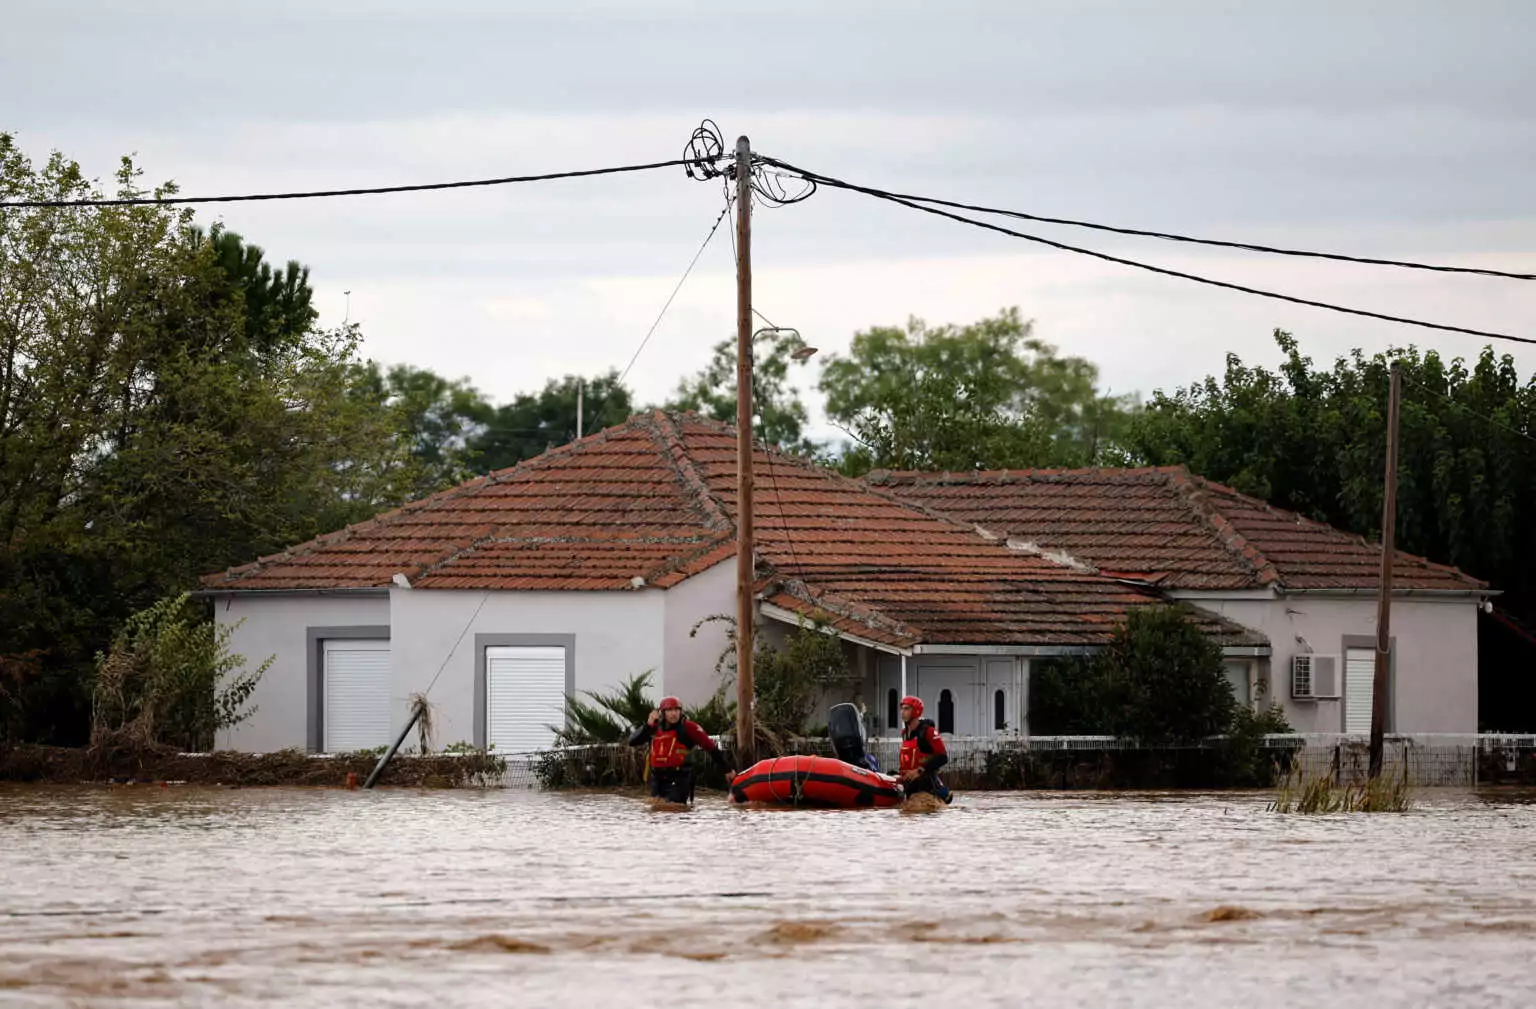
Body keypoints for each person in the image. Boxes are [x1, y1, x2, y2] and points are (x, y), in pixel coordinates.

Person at [628, 695, 730, 803]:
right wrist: (648, 725)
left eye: (677, 709)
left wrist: (727, 770)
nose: (674, 713)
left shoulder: (689, 728)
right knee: (656, 811)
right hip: (658, 779)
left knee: (675, 809)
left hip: (680, 777)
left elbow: (711, 748)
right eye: (670, 710)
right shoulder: (653, 728)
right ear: (663, 712)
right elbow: (632, 741)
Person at [897, 695, 952, 804]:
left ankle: (940, 792)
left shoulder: (928, 731)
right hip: (909, 782)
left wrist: (919, 770)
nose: (902, 712)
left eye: (906, 709)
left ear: (916, 711)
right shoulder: (904, 733)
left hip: (925, 782)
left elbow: (943, 757)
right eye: (902, 708)